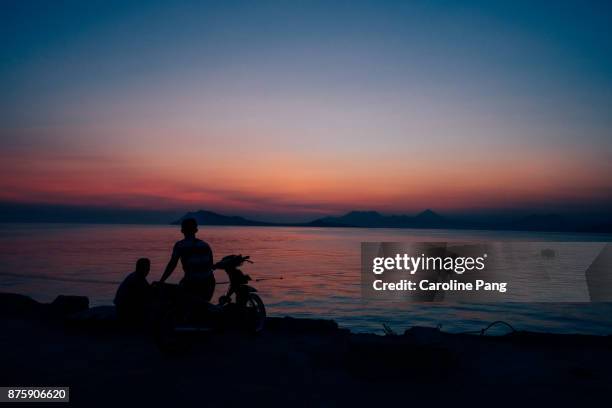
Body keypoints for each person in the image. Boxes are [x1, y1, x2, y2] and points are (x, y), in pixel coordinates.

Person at [159, 218, 215, 301]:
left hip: (193, 283)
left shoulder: (180, 245)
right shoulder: (205, 245)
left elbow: (172, 264)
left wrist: (161, 281)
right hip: (209, 284)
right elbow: (210, 266)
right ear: (196, 230)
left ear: (182, 230)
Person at [114, 258, 152, 323]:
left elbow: (147, 290)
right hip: (124, 310)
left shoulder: (137, 276)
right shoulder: (136, 279)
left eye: (148, 268)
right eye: (147, 268)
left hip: (124, 307)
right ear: (140, 268)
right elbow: (145, 295)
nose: (148, 270)